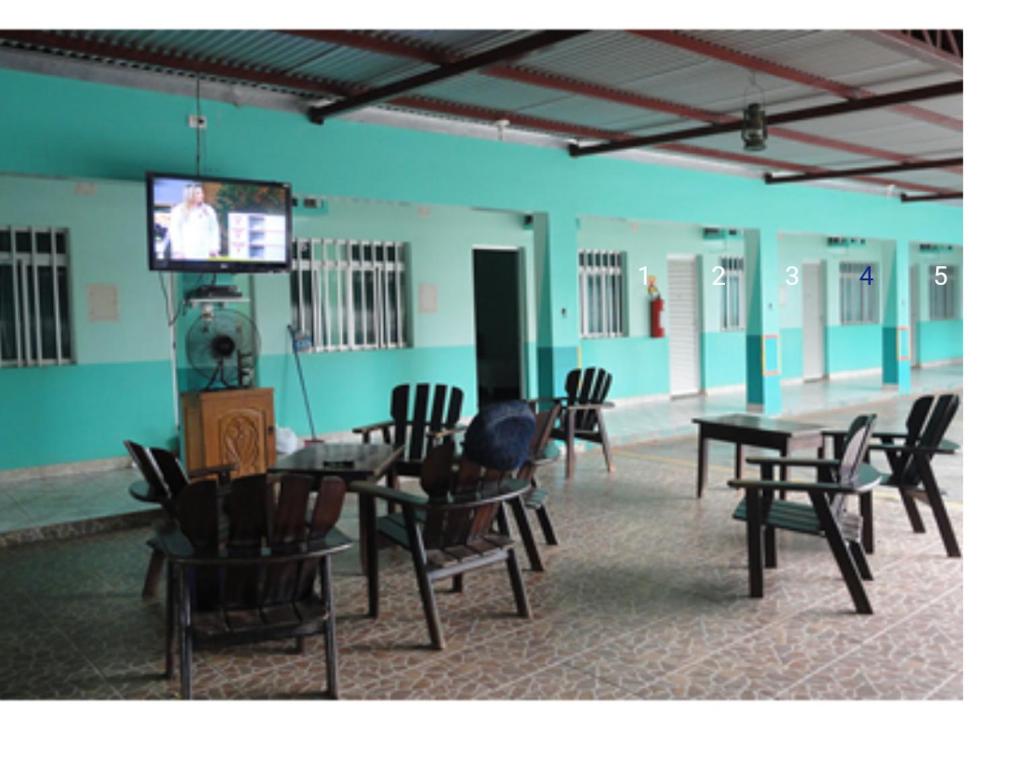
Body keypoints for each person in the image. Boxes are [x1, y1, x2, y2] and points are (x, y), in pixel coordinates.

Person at [168, 183, 221, 260]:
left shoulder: (209, 210)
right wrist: (178, 251)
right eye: (198, 193)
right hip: (185, 254)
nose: (202, 195)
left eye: (202, 193)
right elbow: (175, 231)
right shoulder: (178, 210)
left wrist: (214, 247)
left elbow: (214, 229)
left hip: (204, 253)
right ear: (190, 195)